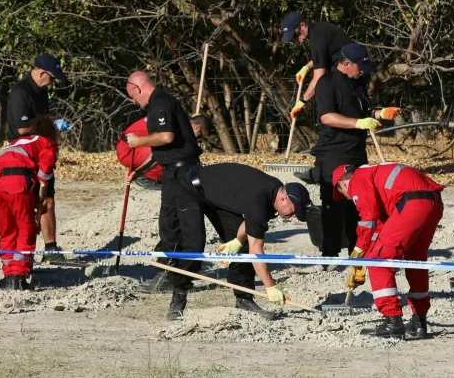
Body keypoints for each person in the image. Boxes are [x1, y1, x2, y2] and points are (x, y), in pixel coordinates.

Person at [123, 70, 206, 320]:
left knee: (181, 228)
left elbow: (165, 137)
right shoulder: (161, 103)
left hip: (183, 175)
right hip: (174, 172)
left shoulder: (159, 102)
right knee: (169, 226)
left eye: (132, 97)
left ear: (138, 89)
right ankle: (169, 275)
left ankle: (177, 279)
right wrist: (139, 172)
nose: (134, 103)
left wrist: (138, 141)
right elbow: (161, 149)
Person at [333, 163, 444, 339]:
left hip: (411, 204)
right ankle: (418, 322)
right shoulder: (376, 176)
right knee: (415, 260)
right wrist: (363, 256)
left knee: (378, 261)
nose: (348, 198)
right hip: (432, 203)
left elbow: (368, 218)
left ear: (343, 184)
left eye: (343, 193)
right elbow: (381, 227)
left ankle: (392, 320)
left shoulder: (358, 179)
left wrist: (360, 249)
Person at [311, 42, 399, 260]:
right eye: (359, 66)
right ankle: (329, 253)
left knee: (359, 202)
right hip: (333, 151)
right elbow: (327, 117)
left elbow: (363, 110)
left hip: (357, 151)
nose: (362, 71)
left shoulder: (358, 82)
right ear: (346, 64)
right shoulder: (327, 83)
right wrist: (359, 123)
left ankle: (357, 248)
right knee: (333, 203)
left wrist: (380, 113)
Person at [190, 163, 314, 319]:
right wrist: (271, 287)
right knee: (192, 243)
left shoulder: (274, 192)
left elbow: (250, 221)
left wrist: (237, 241)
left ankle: (243, 301)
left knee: (245, 245)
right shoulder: (260, 200)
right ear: (283, 199)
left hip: (217, 194)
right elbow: (256, 251)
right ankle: (176, 296)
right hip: (191, 187)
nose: (294, 216)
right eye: (294, 210)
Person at [6, 54, 69, 260]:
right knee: (26, 202)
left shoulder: (42, 92)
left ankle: (51, 248)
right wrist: (49, 126)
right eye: (51, 78)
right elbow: (23, 128)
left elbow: (43, 119)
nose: (51, 83)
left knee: (47, 198)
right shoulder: (20, 92)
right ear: (41, 73)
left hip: (42, 152)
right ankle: (24, 251)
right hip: (23, 155)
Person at [0, 115, 59, 290]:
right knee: (25, 228)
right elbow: (44, 175)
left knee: (6, 228)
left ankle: (8, 272)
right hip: (17, 181)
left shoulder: (18, 142)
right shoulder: (48, 143)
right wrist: (40, 200)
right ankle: (18, 277)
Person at [280, 11, 353, 116]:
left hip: (350, 71)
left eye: (296, 35)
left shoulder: (317, 38)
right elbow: (321, 56)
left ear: (303, 25)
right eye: (293, 38)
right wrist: (306, 67)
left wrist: (302, 101)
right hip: (345, 69)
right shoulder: (319, 30)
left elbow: (319, 77)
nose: (297, 40)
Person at [116, 116, 214, 192]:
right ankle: (148, 178)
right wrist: (138, 172)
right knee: (171, 153)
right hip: (129, 150)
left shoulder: (178, 119)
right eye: (200, 136)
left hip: (133, 146)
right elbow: (161, 149)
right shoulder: (177, 126)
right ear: (196, 127)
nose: (198, 139)